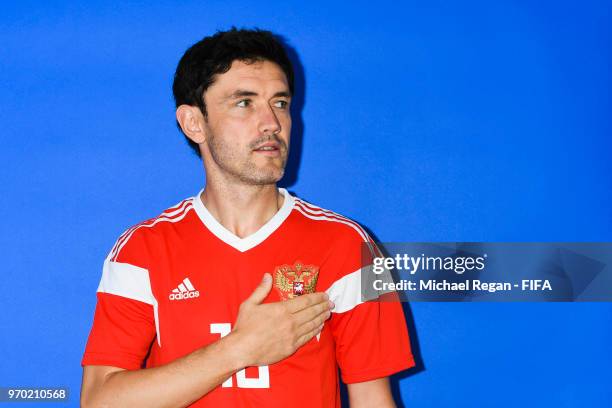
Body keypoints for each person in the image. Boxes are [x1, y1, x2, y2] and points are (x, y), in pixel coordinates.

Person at [80, 28, 414, 407]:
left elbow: (373, 397)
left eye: (281, 103)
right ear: (194, 123)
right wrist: (240, 349)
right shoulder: (141, 250)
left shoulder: (351, 246)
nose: (271, 122)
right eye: (244, 103)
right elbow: (99, 400)